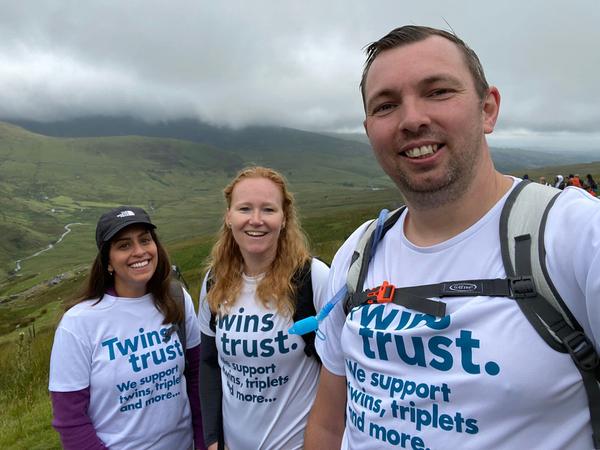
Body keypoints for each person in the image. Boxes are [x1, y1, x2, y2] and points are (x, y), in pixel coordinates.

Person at [304, 25, 600, 450]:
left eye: (438, 91)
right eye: (386, 105)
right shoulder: (358, 253)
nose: (412, 119)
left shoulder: (576, 238)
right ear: (369, 130)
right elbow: (330, 426)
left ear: (488, 109)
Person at [49, 206, 204, 450]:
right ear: (107, 261)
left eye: (145, 240)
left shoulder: (177, 298)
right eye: (124, 245)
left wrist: (205, 442)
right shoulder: (78, 323)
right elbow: (70, 420)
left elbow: (197, 379)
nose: (139, 251)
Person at [198, 166, 329, 450]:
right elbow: (209, 364)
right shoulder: (214, 281)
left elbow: (340, 370)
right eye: (245, 209)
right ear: (229, 217)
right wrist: (212, 440)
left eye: (268, 210)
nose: (256, 220)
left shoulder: (312, 278)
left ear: (284, 219)